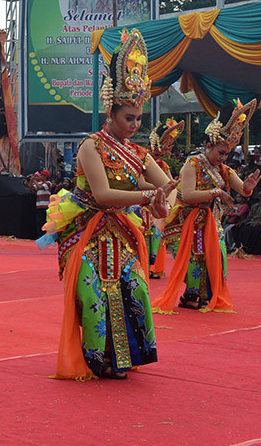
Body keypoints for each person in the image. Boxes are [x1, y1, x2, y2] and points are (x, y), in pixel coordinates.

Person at [40, 28, 176, 380]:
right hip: (86, 229)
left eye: (139, 118)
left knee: (134, 287)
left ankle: (124, 355)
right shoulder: (92, 146)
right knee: (93, 293)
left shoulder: (138, 153)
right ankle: (97, 358)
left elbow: (166, 188)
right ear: (111, 112)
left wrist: (163, 203)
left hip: (120, 231)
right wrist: (148, 197)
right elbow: (102, 195)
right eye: (129, 118)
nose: (134, 125)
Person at [153, 99, 260, 313]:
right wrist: (216, 192)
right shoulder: (192, 164)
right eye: (221, 152)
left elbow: (242, 190)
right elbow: (188, 195)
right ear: (209, 145)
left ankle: (205, 296)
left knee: (218, 258)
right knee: (193, 260)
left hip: (210, 223)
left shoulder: (224, 170)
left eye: (227, 154)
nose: (224, 158)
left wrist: (248, 188)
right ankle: (192, 294)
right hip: (184, 222)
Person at [145, 119, 184, 278]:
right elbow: (140, 183)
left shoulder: (163, 165)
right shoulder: (142, 160)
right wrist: (158, 189)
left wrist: (174, 187)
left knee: (158, 233)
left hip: (159, 201)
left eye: (161, 155)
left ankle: (154, 267)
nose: (158, 158)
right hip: (143, 202)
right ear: (149, 147)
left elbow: (168, 182)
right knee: (145, 234)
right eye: (156, 154)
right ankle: (145, 267)